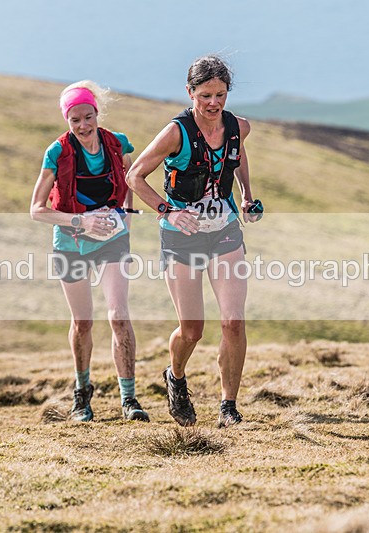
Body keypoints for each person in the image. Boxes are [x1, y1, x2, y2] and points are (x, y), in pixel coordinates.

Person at [126, 55, 261, 428]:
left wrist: (247, 194)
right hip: (181, 238)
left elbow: (238, 156)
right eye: (205, 96)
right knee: (192, 329)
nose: (214, 103)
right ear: (190, 93)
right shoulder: (175, 133)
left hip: (225, 231)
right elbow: (135, 177)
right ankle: (176, 377)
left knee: (233, 322)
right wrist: (167, 211)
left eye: (220, 94)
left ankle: (228, 407)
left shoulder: (238, 127)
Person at [30, 80, 149, 423]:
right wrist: (81, 223)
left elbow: (128, 179)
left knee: (119, 315)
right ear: (67, 121)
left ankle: (130, 400)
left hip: (112, 241)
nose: (83, 126)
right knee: (83, 322)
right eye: (75, 120)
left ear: (97, 114)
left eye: (88, 117)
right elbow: (36, 210)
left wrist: (123, 217)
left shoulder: (117, 143)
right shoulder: (57, 152)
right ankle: (81, 397)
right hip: (70, 243)